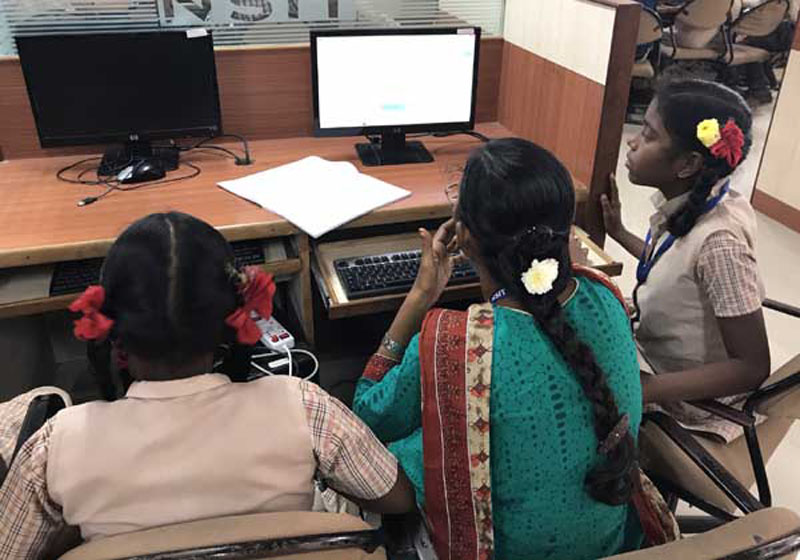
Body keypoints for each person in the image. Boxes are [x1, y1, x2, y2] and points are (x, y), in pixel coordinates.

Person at [0, 212, 415, 559]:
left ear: (110, 328)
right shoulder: (302, 406)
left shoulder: (56, 446)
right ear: (236, 317)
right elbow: (395, 498)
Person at [353, 139, 644, 560]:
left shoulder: (453, 343)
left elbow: (367, 420)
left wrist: (420, 296)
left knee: (388, 458)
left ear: (464, 236)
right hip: (612, 545)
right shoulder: (606, 296)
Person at [602, 79, 770, 442]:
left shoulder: (720, 243)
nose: (632, 143)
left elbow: (753, 366)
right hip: (659, 362)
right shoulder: (701, 204)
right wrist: (620, 233)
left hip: (688, 402)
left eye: (648, 135)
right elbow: (677, 268)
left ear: (688, 163)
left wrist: (646, 389)